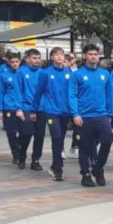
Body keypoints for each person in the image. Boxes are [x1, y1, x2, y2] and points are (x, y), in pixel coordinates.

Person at [68, 44, 113, 188]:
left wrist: (110, 113)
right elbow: (72, 95)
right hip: (84, 116)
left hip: (102, 115)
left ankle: (98, 168)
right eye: (90, 54)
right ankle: (85, 174)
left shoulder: (105, 74)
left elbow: (109, 95)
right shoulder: (77, 75)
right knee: (85, 146)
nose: (93, 57)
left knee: (107, 140)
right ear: (85, 56)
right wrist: (75, 114)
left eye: (95, 54)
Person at [33, 46, 74, 181]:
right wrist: (34, 109)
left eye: (61, 54)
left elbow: (73, 92)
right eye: (56, 54)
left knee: (60, 139)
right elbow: (38, 92)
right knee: (56, 137)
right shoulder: (45, 73)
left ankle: (54, 165)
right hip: (51, 111)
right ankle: (58, 168)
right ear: (52, 58)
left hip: (65, 111)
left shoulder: (69, 73)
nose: (59, 56)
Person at [15, 48, 45, 172]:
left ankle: (35, 160)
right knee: (26, 133)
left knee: (40, 135)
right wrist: (18, 108)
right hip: (26, 107)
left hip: (40, 108)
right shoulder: (21, 72)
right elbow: (18, 90)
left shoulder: (43, 72)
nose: (37, 60)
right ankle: (21, 156)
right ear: (27, 59)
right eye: (34, 58)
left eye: (38, 58)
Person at [0, 50, 24, 167]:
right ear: (9, 62)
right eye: (12, 62)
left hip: (23, 108)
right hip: (9, 107)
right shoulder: (4, 76)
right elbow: (0, 93)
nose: (15, 64)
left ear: (20, 61)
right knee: (11, 132)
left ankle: (21, 150)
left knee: (25, 132)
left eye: (17, 61)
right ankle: (15, 153)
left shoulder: (23, 74)